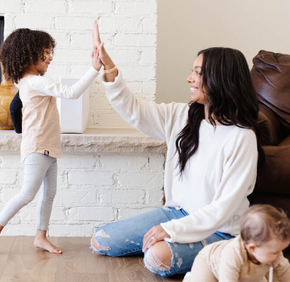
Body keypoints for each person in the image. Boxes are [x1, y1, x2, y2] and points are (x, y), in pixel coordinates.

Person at [90, 21, 265, 277]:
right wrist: (109, 67)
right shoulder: (182, 116)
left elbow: (223, 208)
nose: (189, 78)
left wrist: (171, 231)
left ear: (221, 79)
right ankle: (175, 245)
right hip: (175, 212)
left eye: (197, 72)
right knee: (101, 240)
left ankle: (228, 250)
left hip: (220, 228)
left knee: (157, 258)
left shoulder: (242, 137)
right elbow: (135, 111)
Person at [0, 28, 102, 255]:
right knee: (28, 193)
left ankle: (40, 236)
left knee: (49, 194)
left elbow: (15, 107)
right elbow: (71, 93)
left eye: (50, 52)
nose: (50, 57)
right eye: (45, 52)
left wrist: (21, 130)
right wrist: (94, 69)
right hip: (38, 148)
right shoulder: (34, 82)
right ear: (29, 54)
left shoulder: (29, 84)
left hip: (48, 147)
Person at [184, 204, 290, 282]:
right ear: (253, 248)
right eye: (275, 252)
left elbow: (285, 272)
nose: (280, 255)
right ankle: (191, 278)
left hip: (245, 275)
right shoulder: (232, 255)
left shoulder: (273, 255)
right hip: (208, 265)